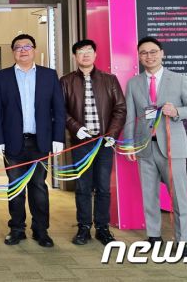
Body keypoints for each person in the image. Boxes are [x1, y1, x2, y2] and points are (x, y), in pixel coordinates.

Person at [124, 36, 187, 250]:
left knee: (178, 197)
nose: (148, 56)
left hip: (172, 148)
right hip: (145, 147)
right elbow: (130, 116)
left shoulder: (179, 79)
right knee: (149, 195)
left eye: (153, 52)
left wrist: (176, 111)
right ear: (139, 56)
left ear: (162, 54)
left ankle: (183, 241)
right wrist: (129, 143)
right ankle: (153, 237)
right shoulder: (133, 83)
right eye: (143, 53)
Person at [0, 34, 66, 248]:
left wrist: (58, 137)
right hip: (13, 143)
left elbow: (59, 109)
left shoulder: (48, 75)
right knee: (15, 187)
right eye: (18, 47)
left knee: (38, 186)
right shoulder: (2, 77)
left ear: (34, 49)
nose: (23, 50)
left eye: (27, 46)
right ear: (13, 52)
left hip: (40, 142)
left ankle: (41, 230)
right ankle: (17, 229)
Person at [60, 39, 126, 246]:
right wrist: (76, 128)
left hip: (104, 143)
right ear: (75, 56)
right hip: (81, 144)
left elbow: (120, 109)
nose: (85, 54)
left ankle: (103, 228)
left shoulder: (109, 80)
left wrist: (112, 134)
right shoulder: (66, 81)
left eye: (89, 51)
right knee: (83, 187)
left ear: (95, 54)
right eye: (81, 51)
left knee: (103, 187)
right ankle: (84, 228)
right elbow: (60, 110)